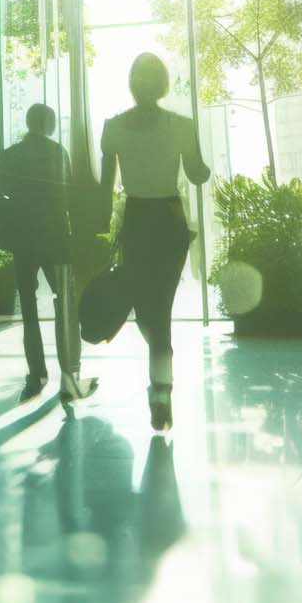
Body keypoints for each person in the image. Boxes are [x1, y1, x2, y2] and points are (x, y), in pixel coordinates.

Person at [99, 53, 210, 432]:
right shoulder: (181, 125)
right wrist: (197, 153)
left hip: (136, 220)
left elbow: (104, 187)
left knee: (149, 312)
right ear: (163, 84)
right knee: (159, 307)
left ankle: (160, 386)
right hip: (169, 220)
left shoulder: (113, 128)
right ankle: (161, 387)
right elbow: (197, 175)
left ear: (133, 83)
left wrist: (98, 230)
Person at [0, 102, 96, 404]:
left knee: (29, 309)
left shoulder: (11, 155)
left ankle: (36, 374)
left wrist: (5, 227)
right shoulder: (57, 152)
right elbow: (69, 195)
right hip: (55, 237)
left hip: (23, 239)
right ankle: (69, 375)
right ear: (49, 125)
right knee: (65, 304)